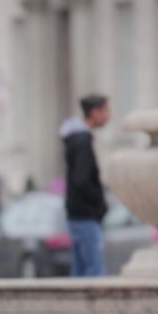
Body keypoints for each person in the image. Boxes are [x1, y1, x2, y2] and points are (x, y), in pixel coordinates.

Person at [60, 94, 111, 277]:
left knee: (80, 271)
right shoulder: (82, 141)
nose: (108, 116)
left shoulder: (76, 139)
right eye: (106, 111)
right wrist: (100, 202)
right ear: (94, 112)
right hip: (86, 214)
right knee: (94, 271)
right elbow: (82, 180)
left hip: (77, 213)